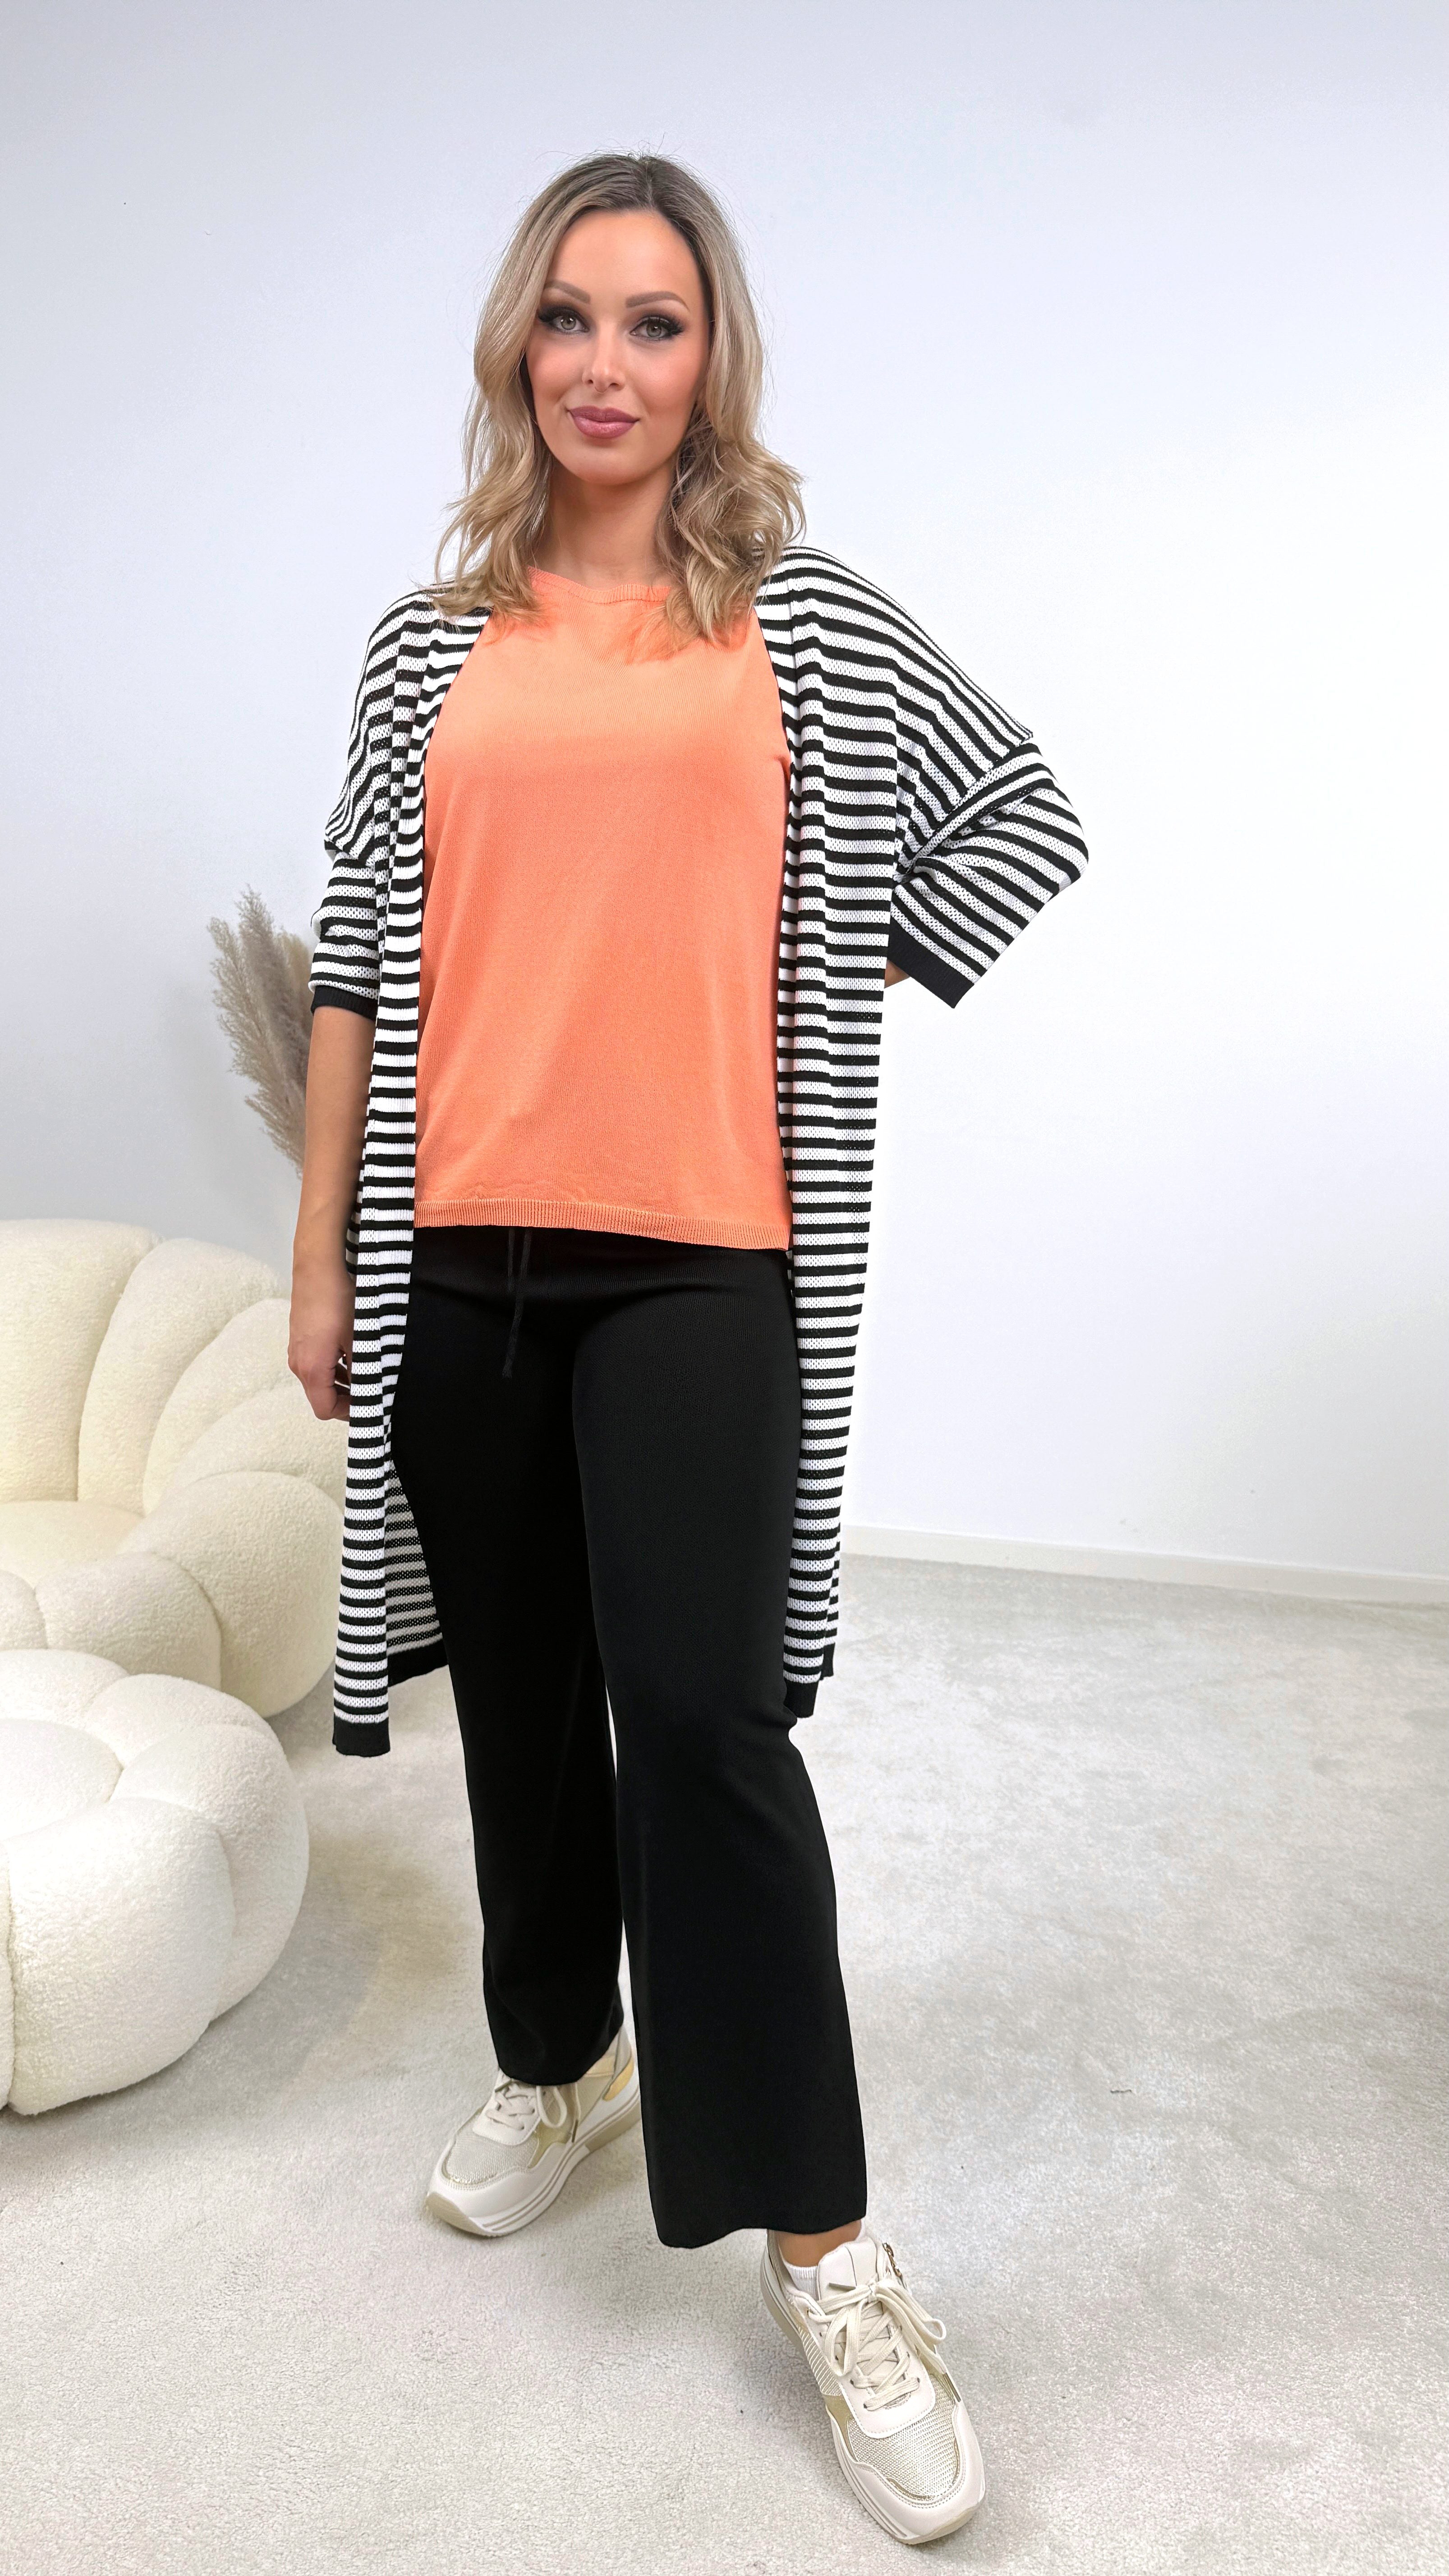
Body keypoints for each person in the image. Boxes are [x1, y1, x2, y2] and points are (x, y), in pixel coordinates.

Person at [290, 151, 1085, 2548]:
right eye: (569, 318)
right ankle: (562, 2057)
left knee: (709, 1736)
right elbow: (354, 947)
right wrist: (324, 1258)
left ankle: (826, 2249)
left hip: (704, 1262)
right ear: (516, 351)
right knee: (524, 1712)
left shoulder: (803, 622)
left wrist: (823, 960)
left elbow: (1024, 817)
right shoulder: (427, 645)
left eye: (655, 321)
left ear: (712, 356)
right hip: (459, 1257)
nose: (607, 364)